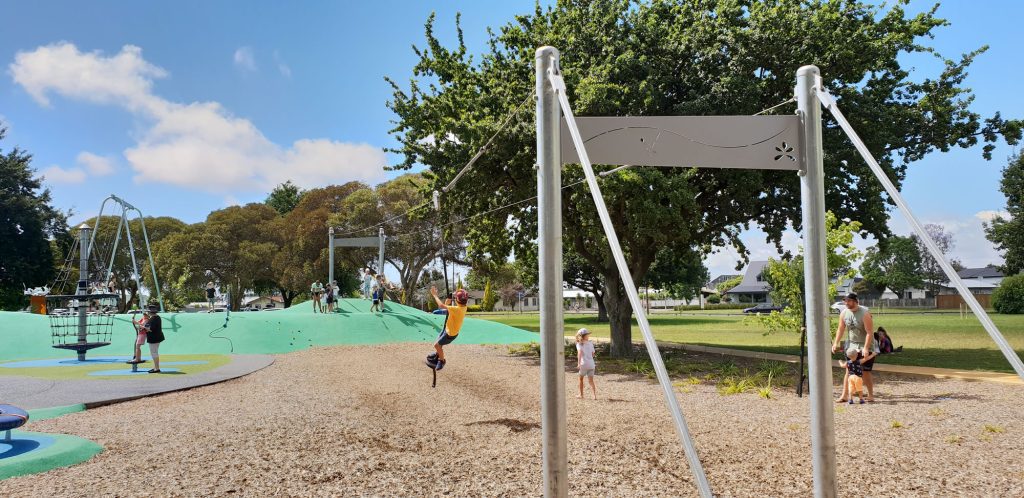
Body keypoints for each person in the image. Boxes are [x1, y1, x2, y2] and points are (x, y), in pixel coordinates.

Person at [832, 292, 875, 403]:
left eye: (848, 300)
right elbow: (840, 329)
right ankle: (844, 395)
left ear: (855, 301)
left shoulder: (865, 314)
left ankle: (870, 395)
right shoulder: (844, 313)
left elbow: (870, 332)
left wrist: (866, 348)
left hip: (865, 344)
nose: (846, 303)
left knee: (865, 371)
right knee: (848, 370)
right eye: (845, 300)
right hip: (851, 345)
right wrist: (835, 343)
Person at [428, 286, 468, 370]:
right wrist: (454, 295)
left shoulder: (456, 309)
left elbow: (441, 305)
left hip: (450, 334)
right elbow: (448, 309)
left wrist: (435, 295)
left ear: (456, 300)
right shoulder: (463, 308)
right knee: (439, 344)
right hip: (447, 329)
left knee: (437, 345)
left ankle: (441, 360)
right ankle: (438, 354)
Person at [576, 328, 597, 399]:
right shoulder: (590, 343)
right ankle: (594, 395)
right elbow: (593, 354)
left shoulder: (579, 344)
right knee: (591, 380)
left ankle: (581, 395)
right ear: (586, 335)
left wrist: (578, 363)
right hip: (591, 364)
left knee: (580, 378)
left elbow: (579, 353)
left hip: (584, 364)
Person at [144, 305, 165, 373]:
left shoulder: (153, 318)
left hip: (154, 338)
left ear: (150, 312)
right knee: (154, 352)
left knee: (154, 353)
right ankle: (155, 367)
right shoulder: (156, 317)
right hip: (157, 337)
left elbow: (150, 329)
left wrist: (142, 327)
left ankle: (157, 368)